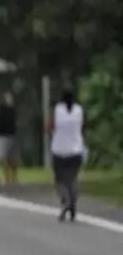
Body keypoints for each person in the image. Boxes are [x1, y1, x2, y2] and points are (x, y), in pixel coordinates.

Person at [48, 89, 85, 222]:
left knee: (60, 180)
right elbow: (82, 126)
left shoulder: (57, 109)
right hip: (76, 150)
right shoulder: (79, 110)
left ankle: (66, 201)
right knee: (73, 178)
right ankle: (73, 203)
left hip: (59, 149)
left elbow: (50, 126)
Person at [0, 92, 18, 186]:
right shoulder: (2, 110)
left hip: (8, 136)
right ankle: (8, 178)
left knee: (10, 158)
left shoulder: (10, 110)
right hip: (5, 136)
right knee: (6, 158)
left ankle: (12, 178)